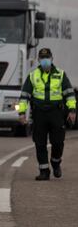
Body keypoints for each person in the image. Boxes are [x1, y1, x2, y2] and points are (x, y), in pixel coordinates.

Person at [18, 48, 76, 180]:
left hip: (56, 113)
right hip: (39, 114)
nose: (45, 61)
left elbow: (70, 94)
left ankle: (56, 162)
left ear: (51, 59)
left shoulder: (61, 74)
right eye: (42, 58)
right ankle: (44, 171)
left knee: (58, 142)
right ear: (39, 60)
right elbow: (24, 96)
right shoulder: (33, 75)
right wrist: (21, 113)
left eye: (47, 58)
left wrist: (72, 111)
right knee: (40, 143)